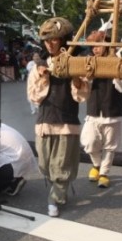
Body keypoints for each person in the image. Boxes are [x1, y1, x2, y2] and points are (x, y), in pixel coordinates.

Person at [27, 17, 89, 217]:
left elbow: (81, 96)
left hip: (67, 122)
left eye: (54, 39)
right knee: (45, 165)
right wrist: (43, 77)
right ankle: (58, 189)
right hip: (44, 122)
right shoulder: (39, 64)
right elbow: (33, 96)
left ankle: (55, 198)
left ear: (64, 40)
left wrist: (77, 80)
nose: (50, 44)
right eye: (47, 40)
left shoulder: (77, 63)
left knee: (60, 166)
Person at [80, 30, 122, 189]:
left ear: (107, 44)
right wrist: (87, 76)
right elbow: (83, 86)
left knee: (110, 146)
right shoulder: (89, 61)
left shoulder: (119, 60)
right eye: (93, 46)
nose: (95, 49)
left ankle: (104, 173)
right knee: (89, 142)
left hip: (112, 111)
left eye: (98, 45)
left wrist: (116, 73)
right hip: (93, 111)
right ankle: (96, 165)